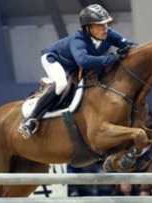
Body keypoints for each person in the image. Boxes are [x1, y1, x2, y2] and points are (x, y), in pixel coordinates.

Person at [18, 4, 136, 138]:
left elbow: (130, 45)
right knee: (61, 84)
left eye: (106, 24)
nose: (105, 28)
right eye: (100, 25)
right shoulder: (79, 40)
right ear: (88, 28)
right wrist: (111, 58)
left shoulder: (108, 34)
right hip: (54, 59)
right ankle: (31, 120)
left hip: (73, 65)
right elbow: (84, 61)